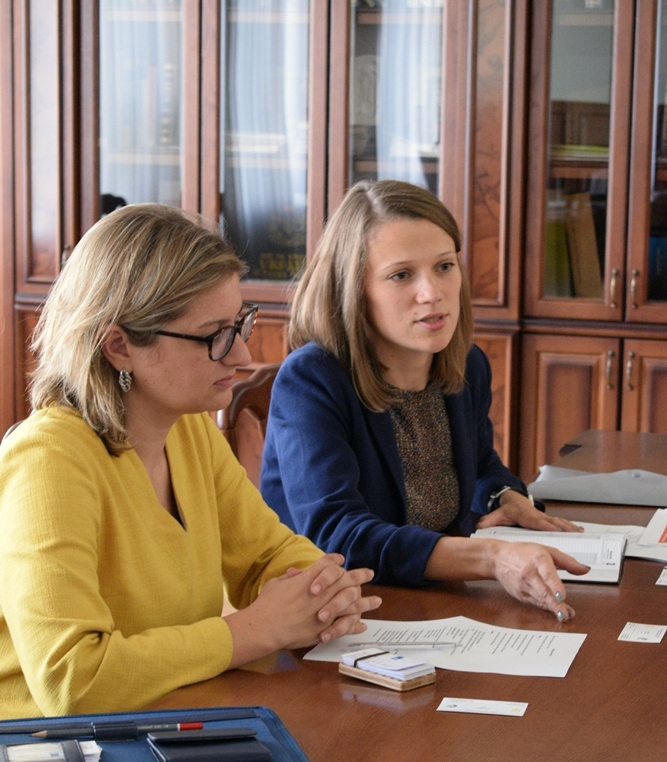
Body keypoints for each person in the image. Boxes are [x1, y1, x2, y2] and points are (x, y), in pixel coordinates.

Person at [0, 204, 381, 720]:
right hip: (50, 743)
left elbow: (266, 555)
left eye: (239, 324)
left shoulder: (188, 428)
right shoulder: (47, 460)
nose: (241, 355)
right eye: (213, 336)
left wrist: (322, 590)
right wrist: (256, 629)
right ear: (119, 346)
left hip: (171, 720)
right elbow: (73, 680)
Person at [261, 179, 589, 622]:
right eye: (401, 275)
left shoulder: (466, 365)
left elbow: (480, 464)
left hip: (433, 602)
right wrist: (491, 557)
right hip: (336, 613)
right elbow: (337, 537)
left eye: (444, 266)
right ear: (354, 289)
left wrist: (506, 498)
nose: (432, 292)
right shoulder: (312, 379)